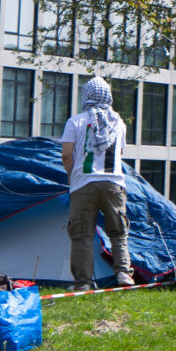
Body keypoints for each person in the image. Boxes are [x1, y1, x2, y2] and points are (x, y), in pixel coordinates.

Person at [60, 77, 136, 292]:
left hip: (83, 184)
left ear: (86, 96)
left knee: (82, 234)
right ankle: (123, 272)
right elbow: (120, 153)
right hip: (113, 184)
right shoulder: (118, 122)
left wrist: (72, 175)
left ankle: (83, 283)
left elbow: (66, 155)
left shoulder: (75, 121)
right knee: (118, 231)